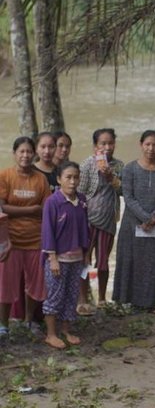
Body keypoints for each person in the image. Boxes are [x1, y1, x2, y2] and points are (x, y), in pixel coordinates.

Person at [113, 130, 155, 309]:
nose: (151, 148)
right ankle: (127, 300)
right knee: (130, 260)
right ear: (141, 145)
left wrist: (154, 216)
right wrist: (146, 217)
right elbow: (128, 197)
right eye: (147, 144)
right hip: (132, 224)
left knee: (151, 262)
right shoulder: (130, 169)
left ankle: (150, 302)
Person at [0, 137, 51, 338]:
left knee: (35, 283)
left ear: (34, 154)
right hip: (9, 241)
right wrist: (31, 209)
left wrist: (22, 210)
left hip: (35, 239)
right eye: (21, 151)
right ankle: (3, 324)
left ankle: (29, 320)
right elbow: (2, 207)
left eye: (29, 151)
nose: (25, 155)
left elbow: (45, 209)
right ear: (14, 153)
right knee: (5, 283)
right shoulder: (5, 175)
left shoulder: (40, 179)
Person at [41, 161, 89, 349]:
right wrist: (52, 258)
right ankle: (51, 334)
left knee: (71, 295)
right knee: (54, 295)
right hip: (58, 259)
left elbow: (85, 229)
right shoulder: (53, 202)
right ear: (59, 179)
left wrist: (86, 254)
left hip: (76, 258)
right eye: (68, 177)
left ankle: (66, 330)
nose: (72, 181)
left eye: (76, 177)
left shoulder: (82, 200)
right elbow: (47, 231)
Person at [77, 128, 123, 314]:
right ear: (95, 146)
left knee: (103, 260)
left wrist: (111, 177)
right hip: (88, 218)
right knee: (84, 260)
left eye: (110, 143)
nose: (107, 147)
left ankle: (103, 298)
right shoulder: (87, 164)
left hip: (108, 218)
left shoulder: (119, 165)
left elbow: (123, 191)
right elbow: (79, 192)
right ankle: (82, 299)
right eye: (102, 144)